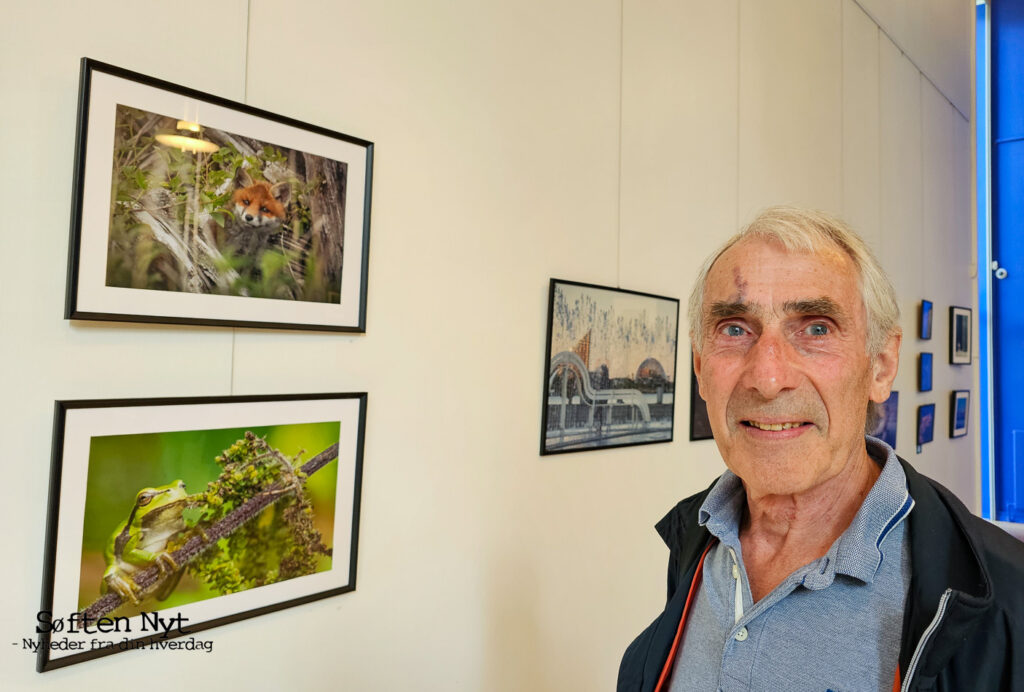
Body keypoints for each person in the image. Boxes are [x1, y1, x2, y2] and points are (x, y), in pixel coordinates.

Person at [617, 207, 1024, 691]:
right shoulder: (698, 542)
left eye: (815, 329)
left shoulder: (1002, 602)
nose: (768, 379)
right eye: (735, 329)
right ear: (701, 369)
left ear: (881, 366)